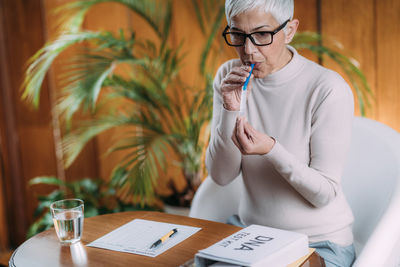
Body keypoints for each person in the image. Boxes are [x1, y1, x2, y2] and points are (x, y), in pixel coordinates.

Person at [205, 0, 356, 266]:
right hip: (254, 237)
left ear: (290, 30)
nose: (248, 50)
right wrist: (231, 109)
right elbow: (221, 176)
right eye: (238, 35)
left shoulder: (327, 89)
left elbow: (324, 193)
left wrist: (272, 150)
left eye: (262, 34)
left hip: (318, 243)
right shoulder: (228, 76)